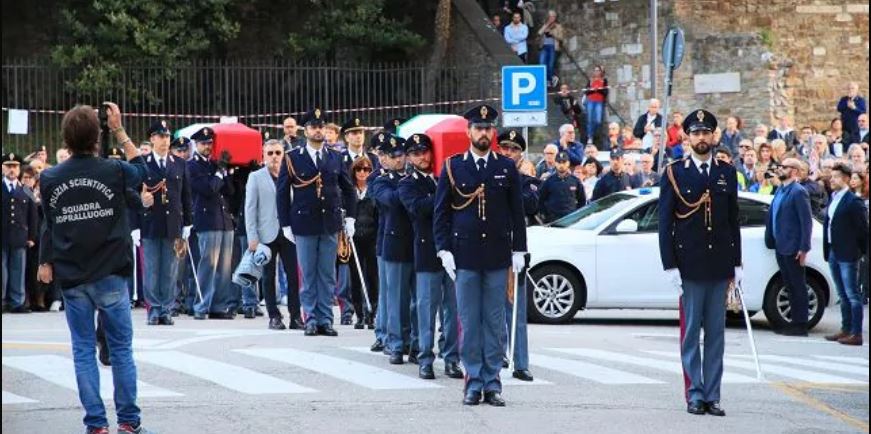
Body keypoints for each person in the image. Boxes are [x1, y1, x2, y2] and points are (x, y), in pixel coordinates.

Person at [37, 102, 153, 434]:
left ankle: (96, 425)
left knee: (84, 351)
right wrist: (120, 129)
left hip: (73, 276)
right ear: (98, 137)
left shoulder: (50, 177)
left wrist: (45, 261)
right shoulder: (112, 170)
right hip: (111, 274)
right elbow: (143, 169)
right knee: (120, 350)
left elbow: (50, 222)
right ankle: (129, 423)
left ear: (66, 139)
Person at [434, 104, 527, 407]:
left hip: (498, 255)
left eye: (488, 128)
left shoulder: (505, 167)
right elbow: (442, 214)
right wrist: (443, 248)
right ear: (468, 131)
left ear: (493, 132)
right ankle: (473, 381)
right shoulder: (453, 166)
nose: (484, 133)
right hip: (465, 255)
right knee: (469, 322)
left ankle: (492, 382)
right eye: (478, 128)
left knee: (494, 321)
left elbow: (517, 212)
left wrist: (519, 250)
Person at [658, 109, 741, 417]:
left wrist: (737, 263)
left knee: (716, 335)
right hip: (689, 265)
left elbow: (733, 220)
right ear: (687, 138)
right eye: (696, 133)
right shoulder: (674, 172)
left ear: (713, 137)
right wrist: (670, 265)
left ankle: (713, 395)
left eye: (706, 133)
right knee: (692, 333)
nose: (701, 138)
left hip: (719, 265)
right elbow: (665, 223)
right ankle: (694, 393)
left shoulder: (725, 172)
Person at [277, 108, 357, 336]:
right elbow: (282, 192)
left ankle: (326, 319)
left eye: (321, 126)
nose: (318, 130)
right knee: (309, 274)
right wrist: (285, 224)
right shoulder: (293, 157)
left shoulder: (334, 156)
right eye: (313, 126)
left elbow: (348, 189)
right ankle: (310, 318)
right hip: (303, 223)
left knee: (327, 274)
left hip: (329, 222)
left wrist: (350, 217)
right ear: (305, 130)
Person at [399, 133, 463, 380]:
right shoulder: (407, 183)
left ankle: (451, 358)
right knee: (427, 309)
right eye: (415, 153)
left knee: (452, 308)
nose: (422, 157)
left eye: (424, 151)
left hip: (452, 250)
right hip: (427, 251)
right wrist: (446, 194)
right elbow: (419, 208)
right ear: (409, 157)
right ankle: (425, 357)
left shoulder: (442, 177)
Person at [370, 133, 417, 363]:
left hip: (416, 243)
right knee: (396, 299)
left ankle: (412, 341)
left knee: (417, 300)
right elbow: (391, 200)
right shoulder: (381, 179)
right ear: (385, 158)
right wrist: (410, 187)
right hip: (395, 243)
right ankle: (395, 342)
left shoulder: (414, 176)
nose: (399, 159)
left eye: (402, 154)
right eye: (393, 155)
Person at [245, 139, 302, 330]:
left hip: (289, 233)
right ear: (263, 155)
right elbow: (250, 209)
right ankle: (274, 316)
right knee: (269, 277)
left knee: (294, 276)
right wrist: (252, 236)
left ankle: (295, 316)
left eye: (278, 153)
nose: (274, 157)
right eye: (270, 153)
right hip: (265, 234)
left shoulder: (292, 173)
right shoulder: (255, 177)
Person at [139, 120, 192, 326]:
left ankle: (166, 309)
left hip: (173, 223)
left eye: (167, 136)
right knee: (152, 268)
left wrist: (188, 222)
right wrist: (136, 220)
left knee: (170, 269)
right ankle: (153, 308)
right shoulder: (143, 163)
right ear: (152, 139)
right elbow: (135, 194)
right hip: (150, 222)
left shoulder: (179, 163)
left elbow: (185, 196)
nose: (165, 140)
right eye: (161, 136)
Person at [495, 129, 537, 380]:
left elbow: (531, 204)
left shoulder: (524, 180)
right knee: (494, 306)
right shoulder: (491, 174)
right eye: (505, 148)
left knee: (516, 308)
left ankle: (521, 361)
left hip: (515, 248)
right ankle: (498, 352)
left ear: (521, 154)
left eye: (514, 149)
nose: (508, 153)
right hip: (492, 246)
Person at [187, 126, 237, 320]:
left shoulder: (215, 164)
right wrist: (219, 173)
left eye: (209, 143)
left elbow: (230, 191)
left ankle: (219, 305)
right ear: (196, 145)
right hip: (207, 220)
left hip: (224, 220)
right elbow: (209, 189)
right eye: (203, 143)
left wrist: (226, 171)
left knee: (224, 268)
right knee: (208, 264)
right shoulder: (192, 166)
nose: (207, 146)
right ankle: (201, 305)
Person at [765, 157, 813, 336]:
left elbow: (805, 222)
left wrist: (804, 248)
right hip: (780, 245)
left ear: (794, 171)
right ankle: (794, 321)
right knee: (788, 284)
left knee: (797, 285)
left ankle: (801, 324)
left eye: (783, 167)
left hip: (793, 246)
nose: (779, 169)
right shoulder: (780, 190)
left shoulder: (798, 191)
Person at [823, 162, 868, 346]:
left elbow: (862, 230)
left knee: (852, 293)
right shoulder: (834, 198)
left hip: (848, 253)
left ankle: (856, 332)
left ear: (846, 179)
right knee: (842, 293)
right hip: (834, 250)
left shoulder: (853, 201)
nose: (831, 179)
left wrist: (861, 251)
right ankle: (846, 328)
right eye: (831, 176)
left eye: (835, 177)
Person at [2, 153, 37, 313]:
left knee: (18, 269)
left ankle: (17, 302)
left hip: (19, 236)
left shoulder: (26, 190)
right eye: (8, 166)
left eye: (15, 166)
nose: (12, 170)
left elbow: (33, 215)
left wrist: (31, 236)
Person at [348, 156, 378, 330]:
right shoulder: (349, 190)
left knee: (373, 277)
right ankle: (359, 314)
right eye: (359, 169)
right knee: (355, 277)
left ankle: (372, 313)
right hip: (354, 239)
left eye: (366, 169)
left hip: (372, 237)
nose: (362, 173)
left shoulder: (374, 189)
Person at [539, 150, 585, 223]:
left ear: (568, 163)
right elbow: (541, 200)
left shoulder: (575, 181)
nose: (561, 165)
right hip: (553, 220)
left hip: (571, 220)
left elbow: (582, 201)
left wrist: (577, 215)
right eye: (559, 162)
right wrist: (546, 216)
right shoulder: (548, 181)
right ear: (555, 163)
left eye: (564, 162)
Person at [537, 10, 565, 87]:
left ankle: (550, 79)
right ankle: (546, 80)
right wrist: (547, 25)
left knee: (550, 65)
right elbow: (539, 33)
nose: (551, 18)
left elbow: (561, 38)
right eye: (550, 16)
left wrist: (553, 33)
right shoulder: (545, 25)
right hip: (544, 46)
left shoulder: (558, 26)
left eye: (553, 16)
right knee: (542, 63)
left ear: (555, 17)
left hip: (553, 47)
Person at [584, 65, 609, 145]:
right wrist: (593, 90)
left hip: (599, 101)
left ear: (601, 72)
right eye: (595, 70)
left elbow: (605, 92)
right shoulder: (590, 80)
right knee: (590, 119)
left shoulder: (604, 80)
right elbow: (586, 91)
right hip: (590, 101)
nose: (596, 72)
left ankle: (594, 134)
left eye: (598, 70)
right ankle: (590, 136)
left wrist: (598, 90)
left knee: (598, 120)